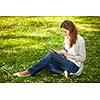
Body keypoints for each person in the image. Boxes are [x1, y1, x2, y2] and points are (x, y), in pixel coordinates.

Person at [14, 20, 86, 78]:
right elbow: (65, 50)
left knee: (50, 57)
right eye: (62, 31)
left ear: (71, 30)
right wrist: (58, 52)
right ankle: (63, 73)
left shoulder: (80, 40)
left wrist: (68, 56)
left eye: (65, 32)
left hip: (74, 66)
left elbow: (82, 58)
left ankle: (29, 72)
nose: (64, 34)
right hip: (66, 60)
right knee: (46, 62)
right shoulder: (67, 37)